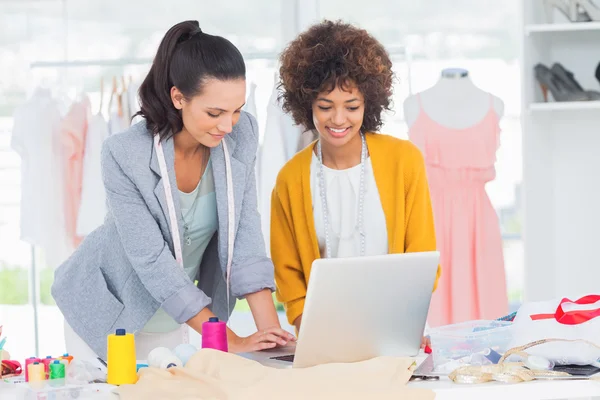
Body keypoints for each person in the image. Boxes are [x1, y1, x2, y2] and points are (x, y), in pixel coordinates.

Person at [51, 20, 294, 362]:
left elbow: (245, 232)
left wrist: (273, 338)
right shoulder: (124, 154)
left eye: (237, 111)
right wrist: (229, 339)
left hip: (177, 315)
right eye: (215, 112)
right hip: (106, 313)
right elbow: (151, 260)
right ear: (178, 97)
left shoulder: (241, 136)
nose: (228, 125)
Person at [271, 20, 441, 337]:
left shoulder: (404, 160)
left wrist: (399, 324)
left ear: (369, 102)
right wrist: (308, 330)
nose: (338, 119)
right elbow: (287, 272)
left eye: (351, 106)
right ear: (306, 104)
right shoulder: (290, 179)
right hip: (322, 333)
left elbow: (422, 258)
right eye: (325, 106)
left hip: (396, 326)